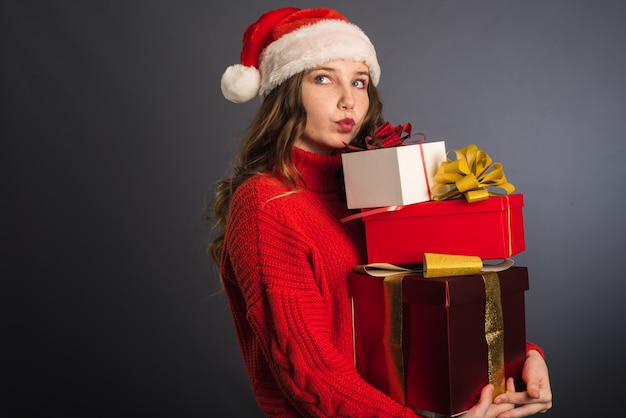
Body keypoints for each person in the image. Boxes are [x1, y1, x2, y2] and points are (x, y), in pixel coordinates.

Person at [206, 7, 552, 418]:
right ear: (285, 91)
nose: (348, 98)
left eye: (359, 81)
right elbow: (312, 374)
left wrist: (522, 359)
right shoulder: (267, 204)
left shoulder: (371, 190)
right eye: (322, 78)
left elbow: (431, 296)